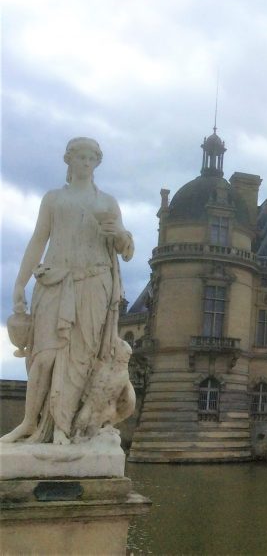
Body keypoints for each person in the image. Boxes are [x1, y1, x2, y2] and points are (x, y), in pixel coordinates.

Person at [1, 137, 134, 445]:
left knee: (80, 359)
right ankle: (29, 423)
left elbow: (125, 250)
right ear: (69, 160)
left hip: (94, 283)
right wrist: (20, 282)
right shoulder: (53, 199)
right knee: (42, 356)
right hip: (55, 281)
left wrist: (121, 236)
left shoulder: (107, 203)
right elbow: (38, 240)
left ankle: (63, 427)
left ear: (97, 163)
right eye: (80, 157)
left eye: (91, 158)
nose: (86, 163)